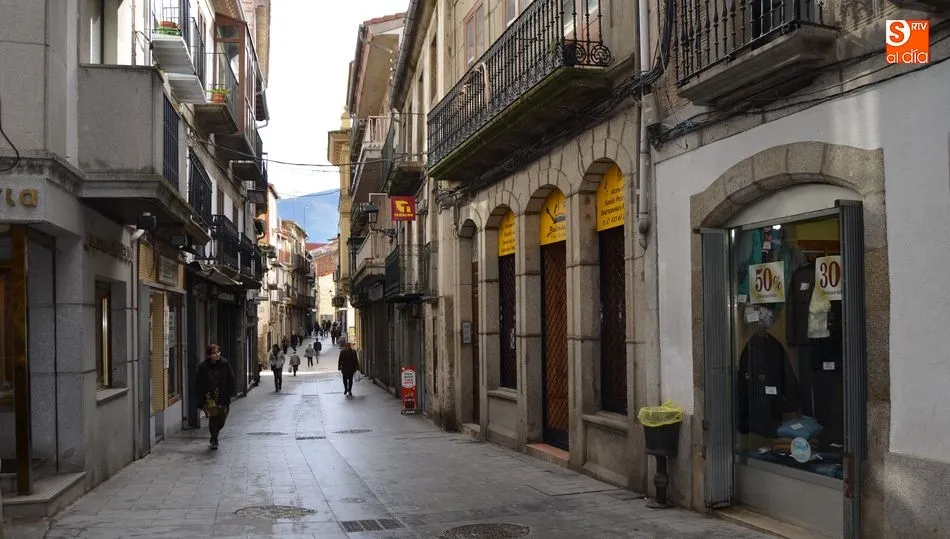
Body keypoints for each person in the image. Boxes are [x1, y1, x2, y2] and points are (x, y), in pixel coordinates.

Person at [194, 344, 236, 450]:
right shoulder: (203, 367)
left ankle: (214, 435)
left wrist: (231, 391)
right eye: (214, 353)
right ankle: (214, 439)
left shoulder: (225, 364)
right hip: (209, 397)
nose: (217, 355)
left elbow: (231, 378)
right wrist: (200, 399)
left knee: (222, 419)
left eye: (218, 352)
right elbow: (198, 383)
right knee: (213, 419)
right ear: (209, 355)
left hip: (222, 395)